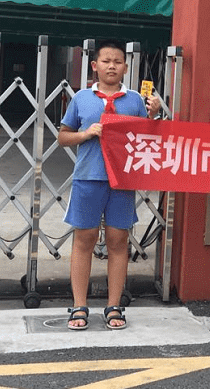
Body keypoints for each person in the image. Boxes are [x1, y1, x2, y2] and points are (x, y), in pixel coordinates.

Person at [59, 39, 160, 331]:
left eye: (117, 61)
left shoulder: (136, 101)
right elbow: (63, 136)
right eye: (106, 61)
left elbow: (147, 139)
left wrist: (152, 116)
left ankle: (114, 306)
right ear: (95, 66)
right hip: (89, 177)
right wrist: (86, 134)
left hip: (122, 180)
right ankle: (79, 306)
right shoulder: (81, 99)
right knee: (84, 240)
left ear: (125, 67)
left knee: (118, 241)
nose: (112, 66)